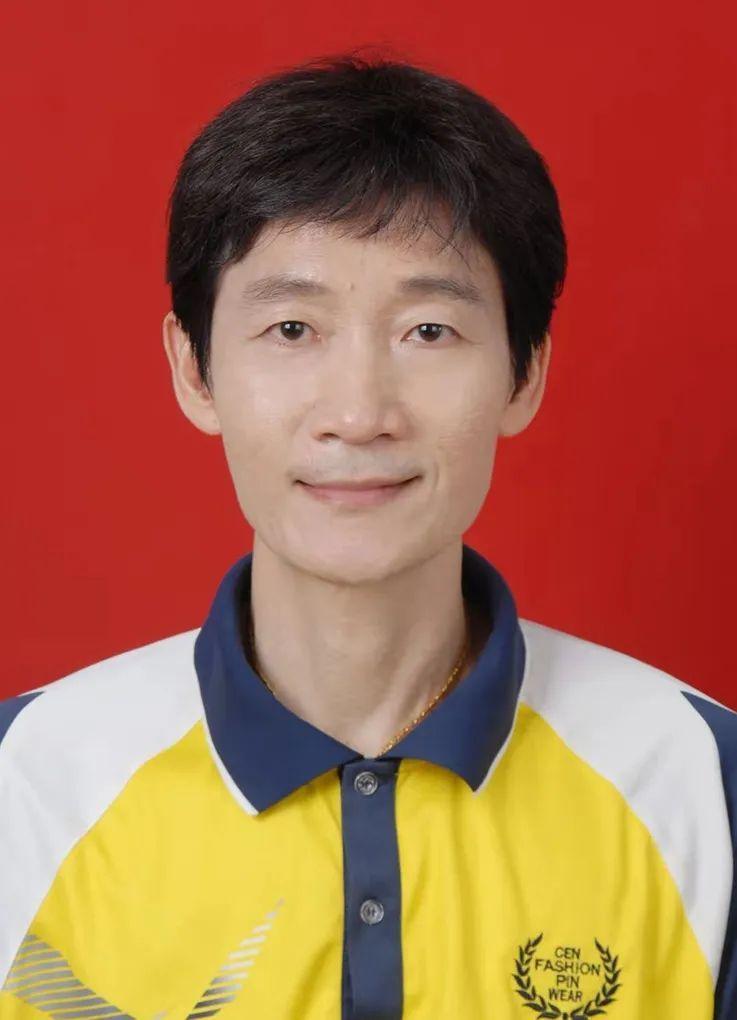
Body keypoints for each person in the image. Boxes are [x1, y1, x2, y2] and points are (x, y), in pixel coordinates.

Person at [0, 52, 734, 1020]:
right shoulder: (28, 784)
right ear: (194, 370)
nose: (358, 413)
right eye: (292, 329)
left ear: (523, 374)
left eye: (427, 331)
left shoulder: (697, 782)